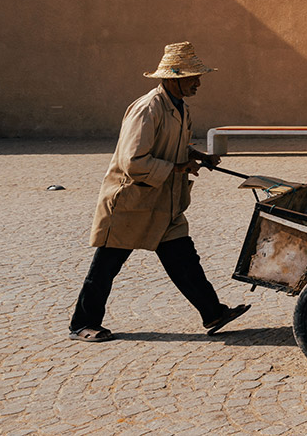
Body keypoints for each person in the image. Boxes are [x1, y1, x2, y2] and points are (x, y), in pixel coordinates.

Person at [68, 42, 249, 341]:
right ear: (174, 78)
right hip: (132, 201)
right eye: (194, 77)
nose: (199, 82)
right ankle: (82, 323)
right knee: (106, 266)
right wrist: (179, 168)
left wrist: (198, 156)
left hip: (164, 202)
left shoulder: (180, 108)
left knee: (185, 259)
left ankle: (213, 312)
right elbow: (134, 161)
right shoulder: (147, 108)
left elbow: (171, 146)